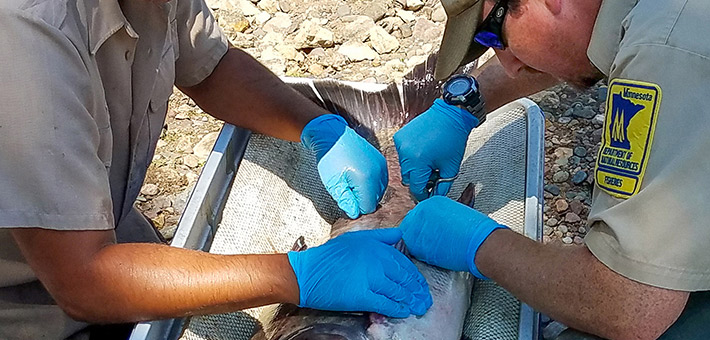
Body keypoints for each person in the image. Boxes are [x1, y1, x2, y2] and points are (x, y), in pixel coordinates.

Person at [0, 0, 433, 338]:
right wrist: (295, 275)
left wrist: (317, 127)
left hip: (110, 235)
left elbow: (210, 67)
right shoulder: (25, 40)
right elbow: (84, 281)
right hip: (27, 307)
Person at [394, 0, 710, 338]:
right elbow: (570, 39)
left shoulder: (663, 51)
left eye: (493, 36)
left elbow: (629, 306)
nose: (510, 67)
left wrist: (480, 245)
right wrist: (464, 104)